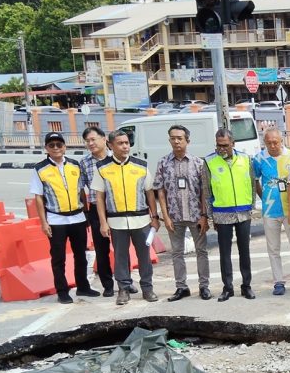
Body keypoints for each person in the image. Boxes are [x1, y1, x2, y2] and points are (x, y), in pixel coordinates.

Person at [93, 129, 159, 306]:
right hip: (116, 221)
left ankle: (147, 288)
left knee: (144, 256)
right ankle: (123, 288)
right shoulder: (102, 168)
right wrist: (102, 222)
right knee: (120, 257)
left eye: (127, 143)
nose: (125, 146)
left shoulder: (141, 165)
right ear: (111, 145)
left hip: (142, 219)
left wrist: (155, 216)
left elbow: (150, 193)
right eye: (120, 143)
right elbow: (99, 197)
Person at [30, 132, 98, 304]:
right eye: (51, 145)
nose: (55, 148)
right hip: (56, 220)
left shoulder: (75, 165)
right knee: (58, 258)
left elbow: (81, 190)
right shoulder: (40, 169)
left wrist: (86, 213)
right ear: (46, 148)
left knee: (81, 255)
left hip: (77, 218)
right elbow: (38, 197)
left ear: (64, 147)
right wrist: (43, 222)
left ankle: (83, 286)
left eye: (59, 145)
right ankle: (62, 291)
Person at [153, 124, 212, 301]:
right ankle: (181, 287)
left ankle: (204, 286)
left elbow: (204, 191)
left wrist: (204, 215)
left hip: (195, 216)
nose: (176, 141)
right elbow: (160, 191)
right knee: (177, 253)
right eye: (173, 138)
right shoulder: (163, 163)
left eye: (180, 138)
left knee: (201, 251)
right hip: (174, 216)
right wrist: (165, 216)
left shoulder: (198, 163)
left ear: (187, 140)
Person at [203, 129, 257, 302]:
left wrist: (252, 206)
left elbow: (252, 183)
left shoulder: (245, 159)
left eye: (225, 145)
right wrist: (211, 215)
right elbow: (206, 190)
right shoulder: (209, 161)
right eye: (219, 145)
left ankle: (246, 286)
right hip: (222, 213)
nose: (222, 149)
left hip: (243, 212)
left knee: (245, 251)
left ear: (233, 143)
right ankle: (228, 288)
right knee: (224, 253)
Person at [253, 128, 290, 295]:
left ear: (281, 140)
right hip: (270, 211)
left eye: (275, 142)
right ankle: (278, 282)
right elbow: (256, 182)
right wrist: (265, 199)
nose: (272, 145)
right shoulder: (258, 159)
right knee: (273, 249)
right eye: (269, 143)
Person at [79, 126, 115, 296]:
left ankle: (125, 282)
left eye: (93, 139)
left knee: (122, 247)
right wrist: (86, 212)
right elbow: (81, 189)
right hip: (95, 210)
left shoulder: (115, 157)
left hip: (117, 208)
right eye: (87, 141)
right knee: (101, 250)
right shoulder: (84, 163)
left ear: (103, 139)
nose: (90, 143)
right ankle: (108, 285)